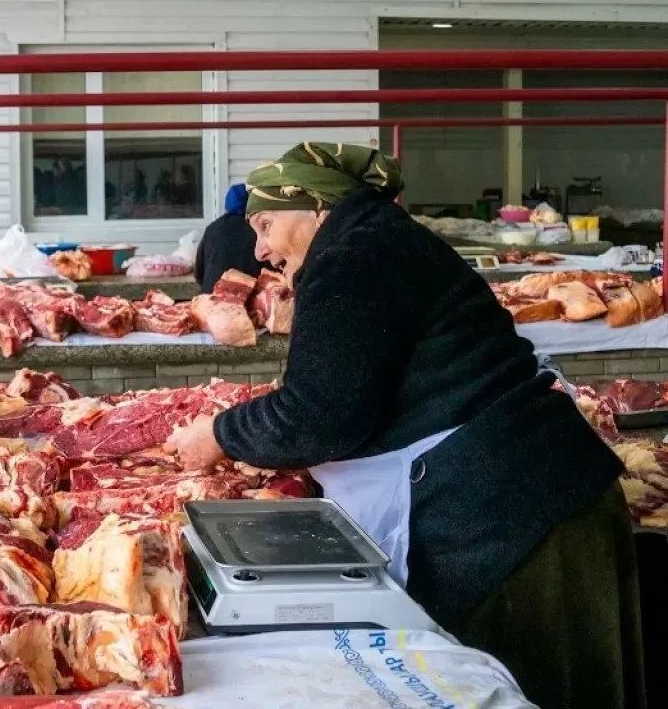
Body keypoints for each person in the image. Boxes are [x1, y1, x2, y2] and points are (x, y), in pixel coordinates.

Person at [169, 142, 644, 709]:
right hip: (533, 496)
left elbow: (320, 416)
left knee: (543, 687)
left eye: (266, 225)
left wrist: (218, 436)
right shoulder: (374, 240)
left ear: (317, 208)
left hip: (523, 520)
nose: (261, 249)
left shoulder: (352, 257)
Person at [194, 183, 275, 292]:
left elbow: (199, 272)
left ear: (227, 206)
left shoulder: (213, 229)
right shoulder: (259, 229)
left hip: (212, 297)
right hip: (250, 298)